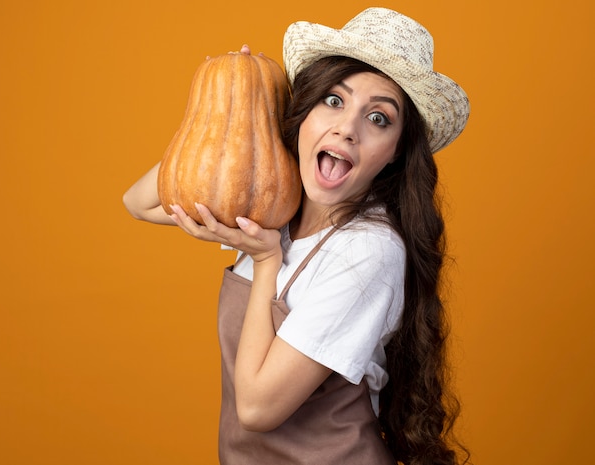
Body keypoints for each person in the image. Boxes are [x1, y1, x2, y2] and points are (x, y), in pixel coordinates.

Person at [123, 7, 470, 465]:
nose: (346, 128)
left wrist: (267, 263)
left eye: (379, 118)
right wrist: (236, 98)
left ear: (396, 153)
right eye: (333, 100)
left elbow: (257, 407)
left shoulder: (367, 249)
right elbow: (142, 203)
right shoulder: (275, 205)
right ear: (303, 111)